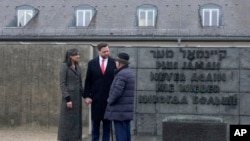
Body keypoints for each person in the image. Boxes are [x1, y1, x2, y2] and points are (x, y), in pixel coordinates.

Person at [83, 42, 116, 141]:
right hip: (95, 100)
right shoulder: (92, 63)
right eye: (104, 52)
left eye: (108, 51)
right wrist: (87, 96)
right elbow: (88, 80)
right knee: (95, 127)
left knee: (107, 127)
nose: (107, 53)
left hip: (108, 100)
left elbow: (116, 81)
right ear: (99, 51)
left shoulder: (113, 62)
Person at [104, 53, 136, 141]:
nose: (115, 62)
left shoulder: (121, 74)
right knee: (126, 133)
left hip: (119, 111)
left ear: (119, 62)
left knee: (120, 135)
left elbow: (117, 92)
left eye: (116, 61)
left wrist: (109, 100)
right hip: (125, 111)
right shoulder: (129, 72)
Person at [57, 48, 84, 141]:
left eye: (78, 54)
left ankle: (76, 138)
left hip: (77, 98)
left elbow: (80, 84)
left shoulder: (78, 67)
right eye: (76, 54)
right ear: (70, 56)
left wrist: (85, 96)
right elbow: (62, 84)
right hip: (69, 99)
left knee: (76, 120)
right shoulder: (64, 66)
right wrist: (68, 99)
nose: (78, 56)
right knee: (67, 121)